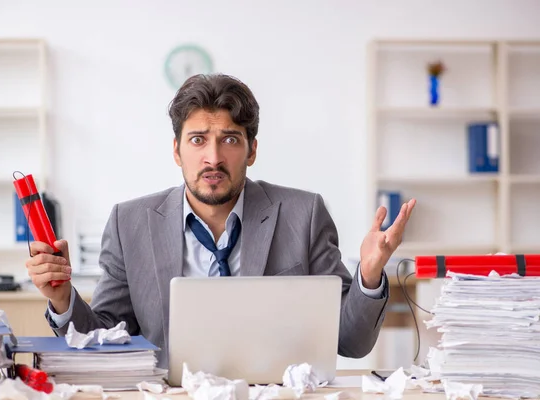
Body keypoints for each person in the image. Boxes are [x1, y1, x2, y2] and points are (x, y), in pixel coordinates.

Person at [26, 73, 416, 368]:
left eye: (229, 139)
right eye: (198, 140)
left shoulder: (305, 214)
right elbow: (107, 335)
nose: (213, 158)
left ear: (252, 150)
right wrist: (62, 299)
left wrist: (367, 275)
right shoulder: (130, 223)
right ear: (177, 151)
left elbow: (351, 341)